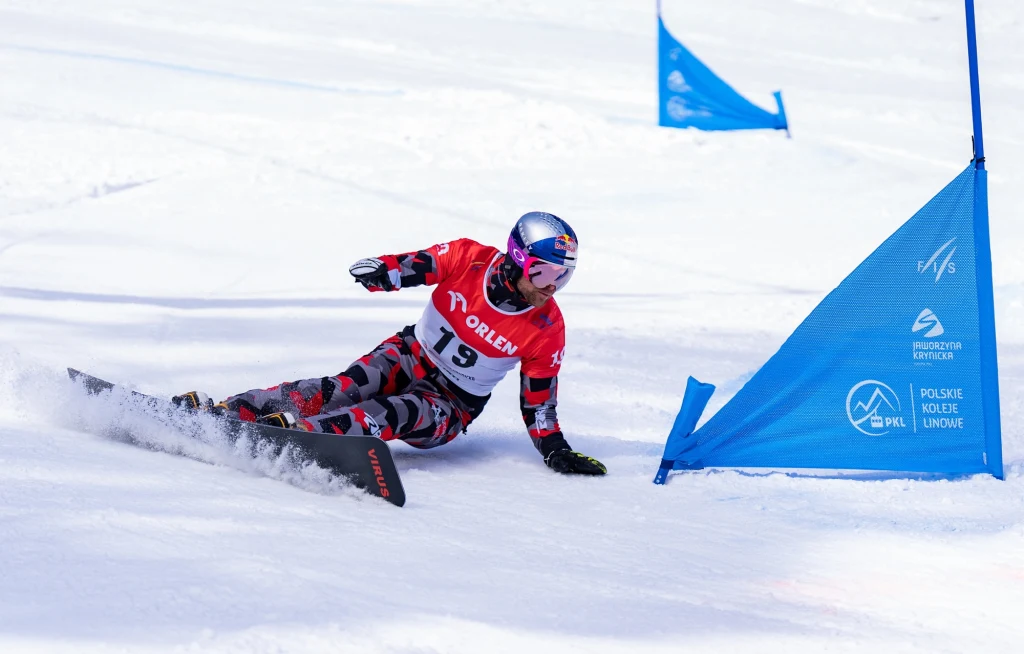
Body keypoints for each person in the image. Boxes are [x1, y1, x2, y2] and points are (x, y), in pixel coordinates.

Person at [174, 211, 606, 475]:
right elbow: (418, 264)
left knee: (389, 411)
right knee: (337, 390)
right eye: (543, 272)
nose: (551, 286)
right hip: (409, 355)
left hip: (450, 405)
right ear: (516, 259)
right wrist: (382, 271)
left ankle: (305, 435)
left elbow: (538, 402)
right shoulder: (470, 257)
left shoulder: (547, 327)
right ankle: (228, 411)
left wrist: (555, 450)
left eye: (563, 276)